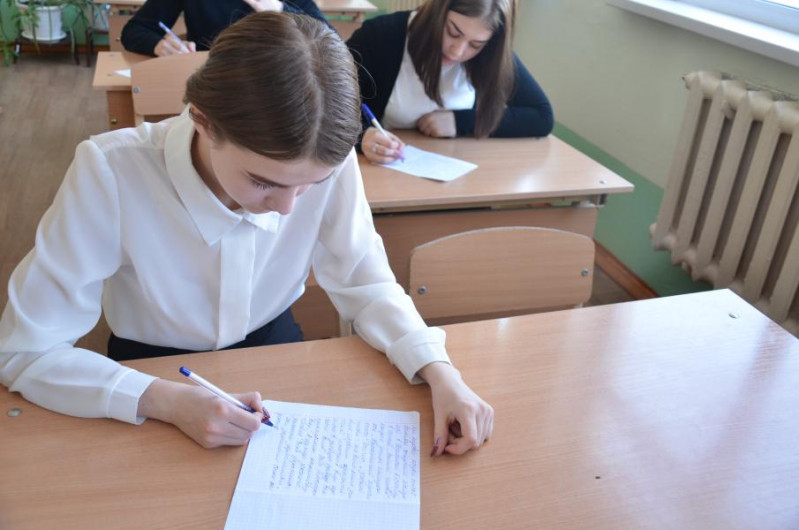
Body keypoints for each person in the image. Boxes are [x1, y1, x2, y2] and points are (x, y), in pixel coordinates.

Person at [0, 12, 493, 456]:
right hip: (153, 368)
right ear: (203, 121)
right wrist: (167, 401)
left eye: (310, 185)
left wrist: (439, 371)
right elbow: (25, 350)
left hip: (276, 349)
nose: (286, 209)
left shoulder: (327, 158)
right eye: (262, 182)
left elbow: (366, 282)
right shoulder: (111, 170)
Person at [347, 0, 553, 164]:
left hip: (452, 176)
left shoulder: (491, 55)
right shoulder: (379, 35)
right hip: (378, 173)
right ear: (437, 12)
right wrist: (362, 136)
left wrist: (461, 121)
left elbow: (541, 116)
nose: (457, 51)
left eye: (475, 45)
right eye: (453, 33)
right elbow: (329, 107)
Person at [121, 0, 327, 56]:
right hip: (212, 85)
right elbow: (134, 30)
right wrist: (158, 45)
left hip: (277, 84)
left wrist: (281, 10)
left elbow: (330, 40)